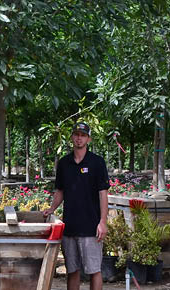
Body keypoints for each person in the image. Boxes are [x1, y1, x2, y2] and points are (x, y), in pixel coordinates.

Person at [44, 121, 110, 290]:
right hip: (70, 228)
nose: (79, 138)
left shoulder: (97, 162)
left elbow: (103, 194)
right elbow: (60, 190)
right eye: (76, 135)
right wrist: (52, 208)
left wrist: (103, 222)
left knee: (94, 270)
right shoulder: (64, 163)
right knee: (72, 270)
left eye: (83, 135)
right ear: (72, 137)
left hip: (91, 227)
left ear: (88, 139)